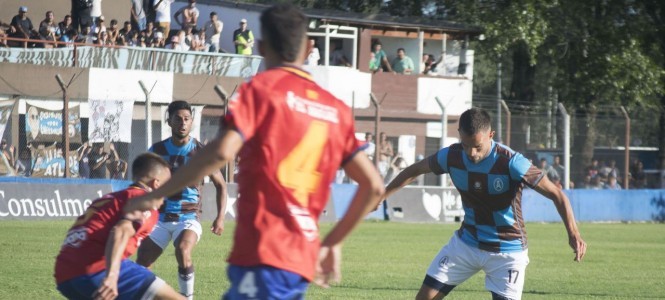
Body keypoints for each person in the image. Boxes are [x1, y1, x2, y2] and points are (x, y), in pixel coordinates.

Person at [125, 4, 384, 298]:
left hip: (266, 249)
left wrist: (157, 193)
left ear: (260, 46)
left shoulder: (262, 90)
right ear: (309, 47)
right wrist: (334, 241)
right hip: (300, 254)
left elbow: (223, 152)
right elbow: (373, 186)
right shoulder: (334, 109)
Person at [382, 108, 587, 300]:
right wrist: (381, 196)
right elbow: (413, 171)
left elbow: (557, 195)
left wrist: (573, 233)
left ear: (491, 135)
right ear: (459, 135)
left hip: (507, 250)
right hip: (466, 244)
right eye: (465, 145)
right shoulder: (451, 156)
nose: (471, 153)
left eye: (477, 146)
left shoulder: (511, 162)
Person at [54, 152, 184, 300]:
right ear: (156, 184)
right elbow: (120, 231)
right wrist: (111, 276)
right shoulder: (144, 201)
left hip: (64, 272)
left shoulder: (111, 198)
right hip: (97, 267)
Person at [136, 100, 228, 300]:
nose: (183, 123)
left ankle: (188, 298)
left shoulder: (202, 153)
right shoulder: (157, 150)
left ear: (192, 122)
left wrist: (220, 217)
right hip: (159, 218)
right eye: (178, 119)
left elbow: (221, 185)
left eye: (187, 119)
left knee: (183, 250)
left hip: (188, 217)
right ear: (169, 121)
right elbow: (142, 182)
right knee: (142, 264)